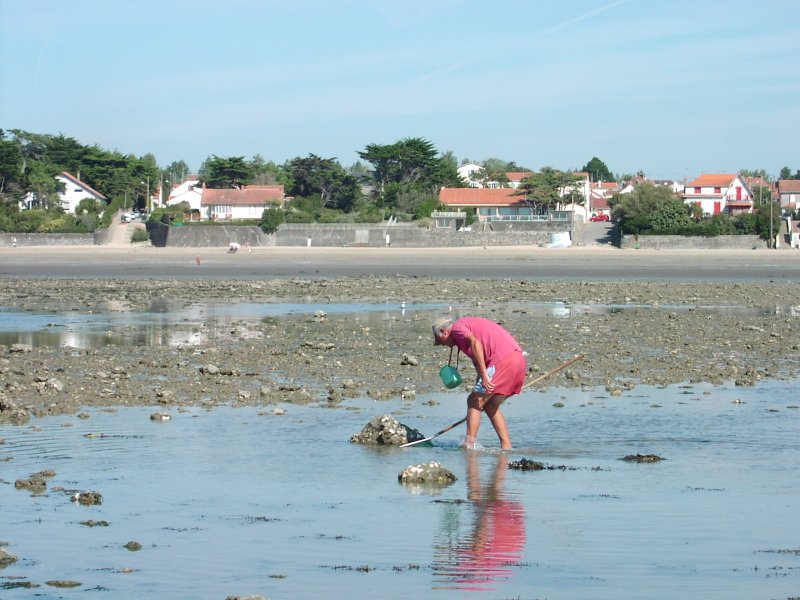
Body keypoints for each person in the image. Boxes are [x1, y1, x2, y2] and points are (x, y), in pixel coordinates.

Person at [432, 316, 526, 449]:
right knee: (489, 404)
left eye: (440, 340)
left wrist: (484, 376)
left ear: (443, 332)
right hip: (518, 359)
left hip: (504, 359)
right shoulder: (464, 335)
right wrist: (474, 411)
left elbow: (476, 343)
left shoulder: (457, 328)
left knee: (474, 401)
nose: (443, 345)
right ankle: (506, 447)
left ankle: (468, 445)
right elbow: (479, 363)